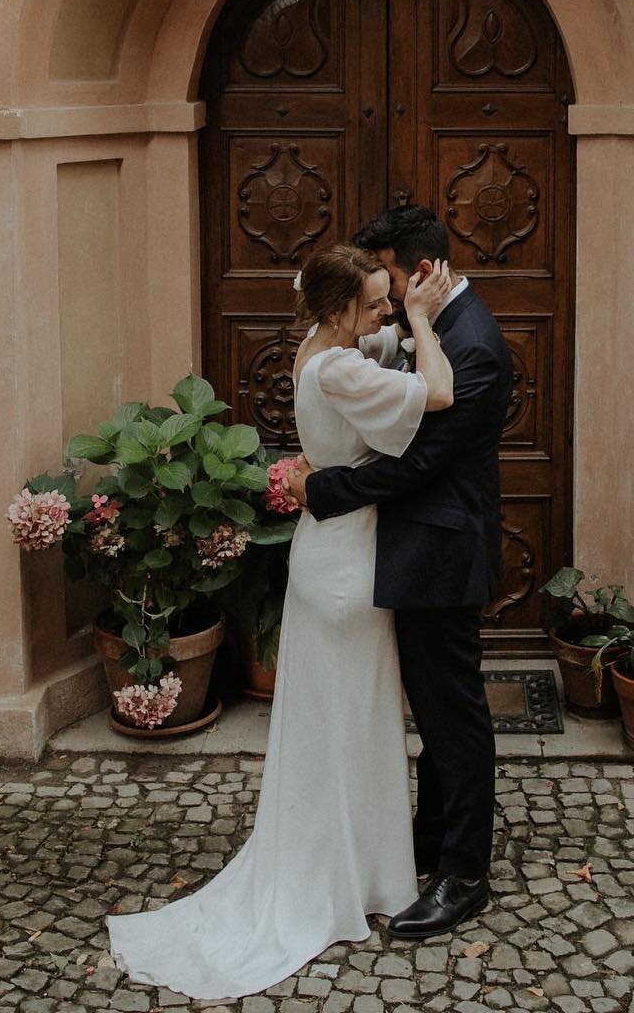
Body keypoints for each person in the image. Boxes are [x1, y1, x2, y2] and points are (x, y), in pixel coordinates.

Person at [107, 242, 455, 999]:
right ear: (337, 311)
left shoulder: (316, 347)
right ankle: (347, 879)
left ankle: (349, 867)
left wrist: (400, 313)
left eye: (386, 302)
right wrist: (427, 325)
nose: (385, 314)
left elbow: (377, 346)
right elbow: (437, 394)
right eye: (372, 303)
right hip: (348, 566)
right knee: (351, 721)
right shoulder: (338, 368)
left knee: (337, 721)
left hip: (323, 547)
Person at [287, 204, 512, 940]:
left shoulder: (471, 344)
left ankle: (464, 873)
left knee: (454, 716)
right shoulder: (428, 325)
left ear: (416, 272)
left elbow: (419, 463)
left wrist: (321, 490)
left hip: (440, 552)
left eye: (385, 278)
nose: (380, 300)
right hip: (406, 550)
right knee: (436, 711)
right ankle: (429, 835)